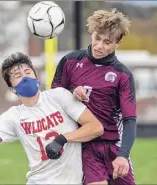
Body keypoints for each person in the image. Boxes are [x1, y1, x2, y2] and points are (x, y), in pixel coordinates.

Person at [0, 52, 104, 184]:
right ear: (12, 89)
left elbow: (95, 127)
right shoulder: (13, 116)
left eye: (28, 72)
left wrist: (63, 138)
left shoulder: (59, 97)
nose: (25, 77)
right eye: (18, 76)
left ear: (36, 76)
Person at [51, 9, 136, 185]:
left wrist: (123, 155)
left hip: (115, 145)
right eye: (97, 38)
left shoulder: (123, 75)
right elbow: (54, 98)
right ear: (92, 33)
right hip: (85, 145)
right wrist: (72, 91)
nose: (99, 46)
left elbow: (129, 120)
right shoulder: (70, 62)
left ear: (117, 43)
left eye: (107, 42)